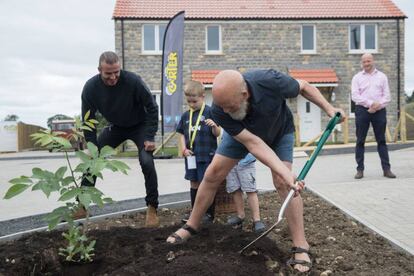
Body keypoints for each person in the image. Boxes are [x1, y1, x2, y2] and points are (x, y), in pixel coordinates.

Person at [167, 69, 345, 273]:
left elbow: (303, 86)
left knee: (283, 183)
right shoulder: (219, 110)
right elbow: (253, 143)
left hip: (279, 132)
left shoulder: (271, 80)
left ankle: (300, 245)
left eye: (228, 106)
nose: (223, 111)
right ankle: (192, 225)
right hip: (244, 135)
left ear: (244, 94)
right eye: (221, 106)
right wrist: (286, 174)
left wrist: (329, 109)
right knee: (213, 173)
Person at [79, 51, 160, 227]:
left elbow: (153, 107)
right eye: (108, 73)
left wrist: (149, 135)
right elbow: (88, 121)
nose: (114, 77)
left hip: (140, 125)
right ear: (99, 69)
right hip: (116, 127)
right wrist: (92, 147)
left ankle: (152, 207)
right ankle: (81, 205)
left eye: (117, 72)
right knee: (92, 161)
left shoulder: (133, 81)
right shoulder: (90, 88)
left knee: (146, 161)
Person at [176, 80, 221, 223]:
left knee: (206, 184)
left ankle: (208, 214)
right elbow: (181, 133)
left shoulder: (210, 112)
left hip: (207, 156)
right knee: (194, 183)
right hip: (191, 157)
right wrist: (183, 149)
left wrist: (214, 126)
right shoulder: (185, 116)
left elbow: (217, 133)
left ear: (202, 96)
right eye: (189, 101)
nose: (191, 104)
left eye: (194, 101)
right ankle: (195, 213)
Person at [351, 53, 396, 179]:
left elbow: (387, 97)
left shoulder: (382, 77)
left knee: (381, 140)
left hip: (379, 111)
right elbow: (355, 96)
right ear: (362, 62)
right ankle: (360, 170)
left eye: (368, 61)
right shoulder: (357, 78)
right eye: (364, 61)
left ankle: (387, 169)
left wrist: (377, 106)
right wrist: (371, 104)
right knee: (360, 141)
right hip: (362, 110)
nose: (366, 63)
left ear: (373, 61)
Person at [225, 152, 266, 234]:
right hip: (230, 161)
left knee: (250, 190)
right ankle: (240, 216)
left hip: (246, 162)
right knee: (235, 189)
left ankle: (256, 220)